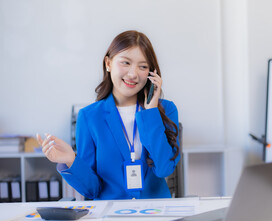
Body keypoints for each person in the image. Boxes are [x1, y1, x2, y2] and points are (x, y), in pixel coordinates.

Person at [36, 30, 180, 200]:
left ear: (151, 73)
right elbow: (92, 190)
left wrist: (150, 113)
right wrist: (71, 160)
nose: (133, 74)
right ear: (108, 63)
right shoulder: (89, 117)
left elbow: (164, 169)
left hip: (156, 212)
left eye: (143, 66)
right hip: (111, 216)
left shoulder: (165, 110)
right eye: (126, 62)